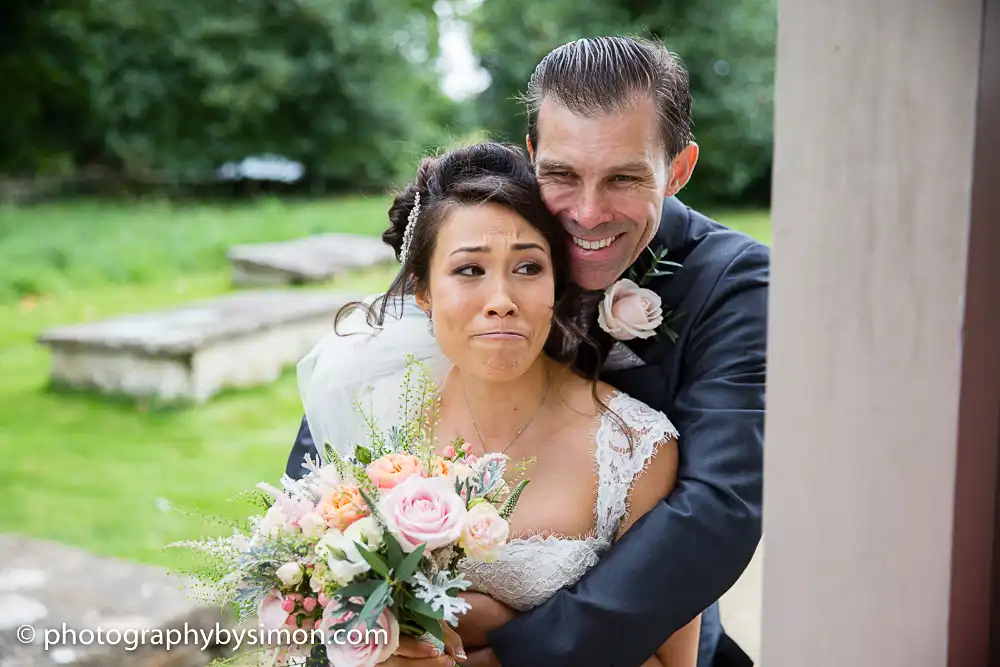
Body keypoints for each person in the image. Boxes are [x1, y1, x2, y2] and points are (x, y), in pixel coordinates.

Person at [288, 35, 767, 667]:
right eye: (563, 175)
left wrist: (512, 652)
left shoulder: (734, 283)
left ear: (677, 169)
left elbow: (716, 510)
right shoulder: (491, 242)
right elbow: (350, 412)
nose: (588, 215)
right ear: (532, 155)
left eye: (624, 177)